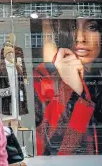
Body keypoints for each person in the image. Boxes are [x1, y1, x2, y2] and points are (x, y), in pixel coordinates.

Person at [34, 19, 102, 155]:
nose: (80, 38)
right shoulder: (43, 77)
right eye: (73, 27)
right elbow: (52, 150)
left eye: (91, 27)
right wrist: (73, 90)